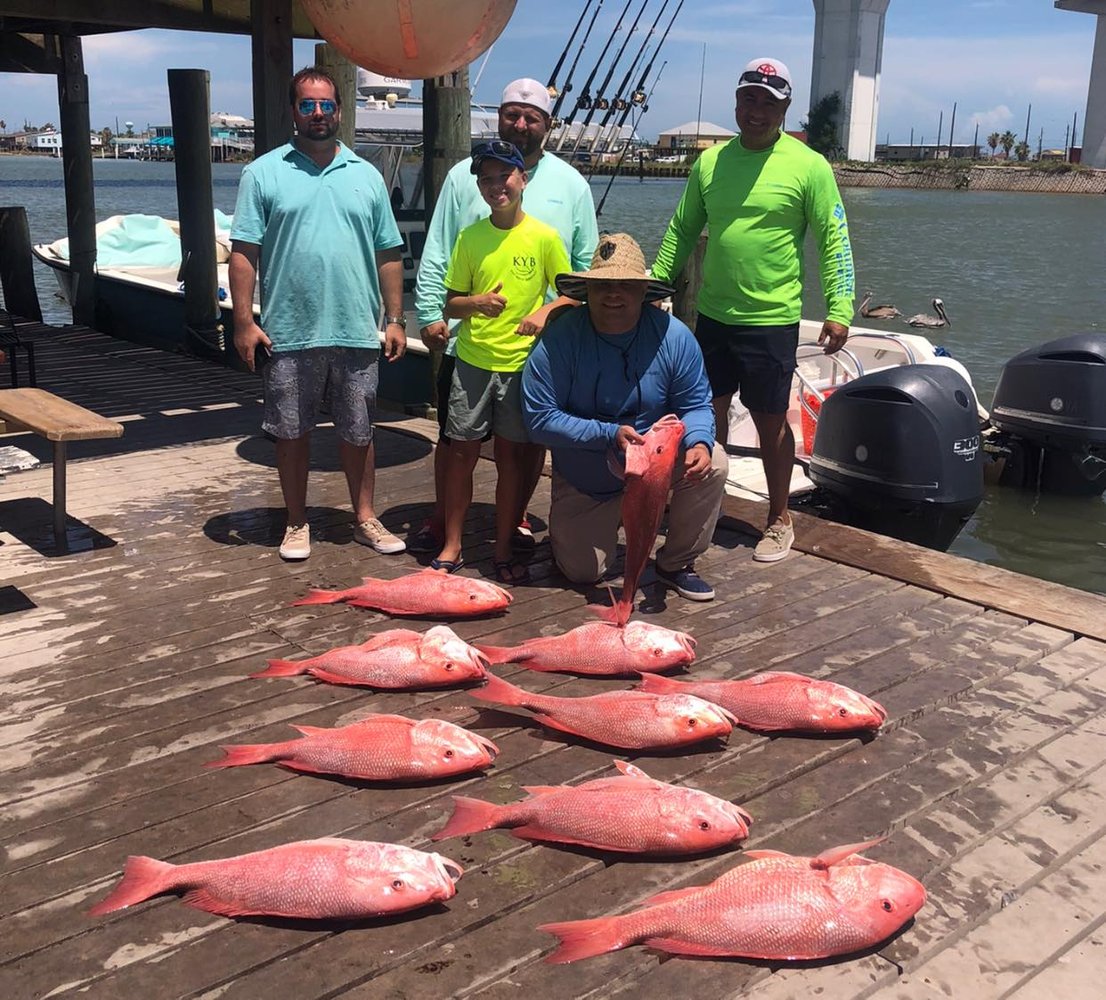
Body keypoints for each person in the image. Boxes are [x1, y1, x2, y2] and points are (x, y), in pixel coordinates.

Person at [651, 57, 855, 564]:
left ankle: (779, 517)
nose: (756, 110)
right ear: (736, 102)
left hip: (772, 318)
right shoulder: (710, 163)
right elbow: (681, 229)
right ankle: (703, 505)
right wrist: (654, 285)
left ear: (785, 107)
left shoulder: (809, 166)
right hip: (714, 315)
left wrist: (840, 307)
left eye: (768, 102)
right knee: (707, 415)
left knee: (770, 422)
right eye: (749, 99)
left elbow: (834, 240)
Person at [411, 77, 599, 553]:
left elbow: (585, 264)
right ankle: (442, 516)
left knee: (526, 444)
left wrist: (561, 319)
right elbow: (439, 249)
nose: (520, 123)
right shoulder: (461, 177)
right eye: (511, 113)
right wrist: (433, 313)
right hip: (466, 339)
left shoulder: (572, 184)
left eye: (530, 117)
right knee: (455, 440)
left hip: (539, 349)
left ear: (547, 125)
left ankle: (511, 520)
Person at [229, 66, 408, 561]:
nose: (317, 114)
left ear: (339, 111)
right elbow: (243, 252)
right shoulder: (262, 172)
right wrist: (244, 321)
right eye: (307, 105)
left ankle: (365, 518)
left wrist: (395, 318)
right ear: (293, 112)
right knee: (291, 431)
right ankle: (295, 521)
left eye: (326, 105)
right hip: (289, 329)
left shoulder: (366, 175)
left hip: (355, 329)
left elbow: (389, 252)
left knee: (359, 430)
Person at [522, 233, 727, 600]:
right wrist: (607, 433)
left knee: (716, 462)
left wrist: (698, 441)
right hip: (588, 476)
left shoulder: (674, 337)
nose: (613, 293)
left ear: (643, 291)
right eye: (603, 285)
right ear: (587, 291)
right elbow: (539, 417)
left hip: (655, 466)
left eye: (626, 285)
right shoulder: (560, 339)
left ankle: (676, 562)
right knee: (582, 572)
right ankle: (597, 522)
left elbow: (696, 403)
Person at [434, 141, 572, 583]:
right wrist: (475, 302)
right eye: (486, 179)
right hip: (472, 362)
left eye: (504, 176)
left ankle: (503, 544)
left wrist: (543, 312)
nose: (496, 186)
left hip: (521, 366)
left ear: (522, 179)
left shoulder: (545, 237)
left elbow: (571, 294)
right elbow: (451, 304)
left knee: (513, 459)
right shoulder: (469, 238)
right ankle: (452, 543)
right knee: (461, 454)